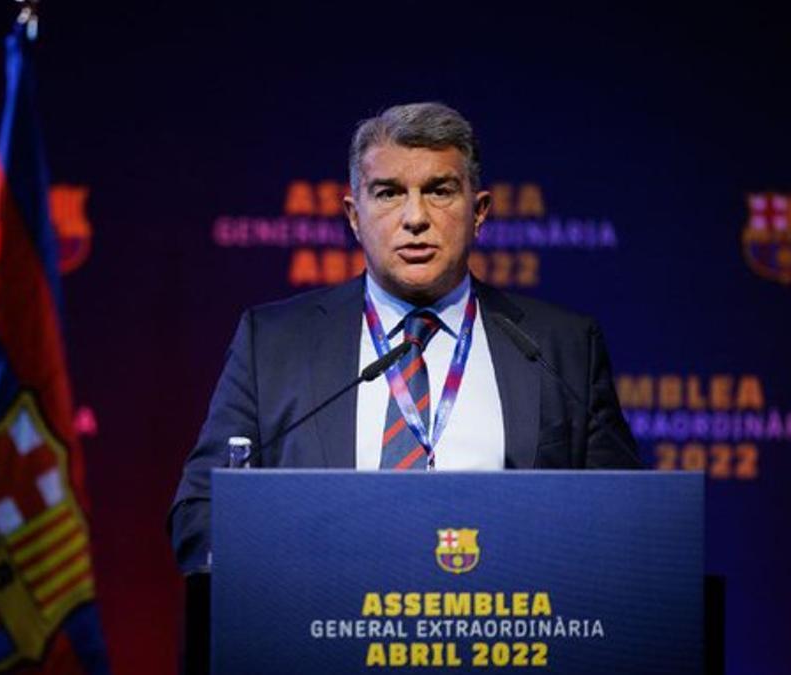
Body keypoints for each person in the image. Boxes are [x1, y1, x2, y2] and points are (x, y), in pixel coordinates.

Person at [169, 102, 640, 576]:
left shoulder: (561, 346)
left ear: (479, 212)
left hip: (510, 633)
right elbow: (201, 514)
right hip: (326, 633)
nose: (415, 217)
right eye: (389, 193)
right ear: (354, 216)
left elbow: (626, 524)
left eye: (439, 191)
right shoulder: (273, 345)